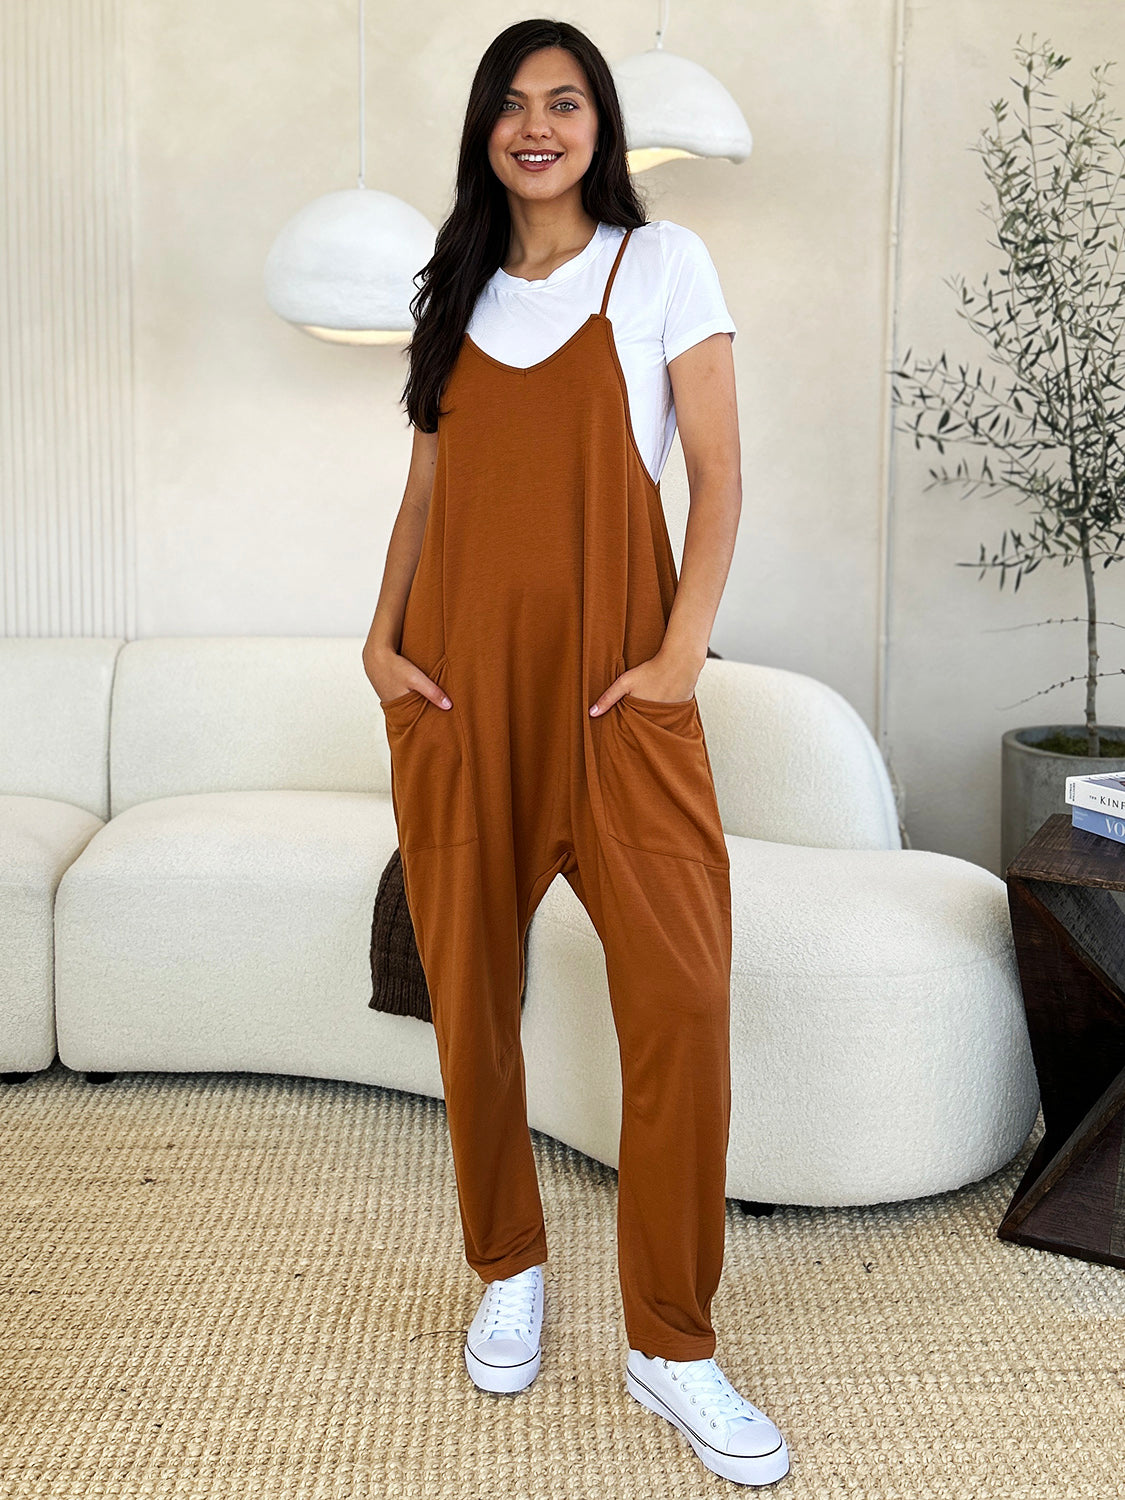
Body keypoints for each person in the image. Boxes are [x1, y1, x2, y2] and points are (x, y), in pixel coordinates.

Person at [362, 17, 790, 1488]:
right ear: (483, 130)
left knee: (680, 997)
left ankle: (672, 1345)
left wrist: (679, 657)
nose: (535, 126)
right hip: (458, 698)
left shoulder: (659, 268)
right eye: (509, 104)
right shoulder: (457, 282)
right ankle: (508, 1265)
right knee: (468, 999)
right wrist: (379, 641)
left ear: (599, 126)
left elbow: (720, 474)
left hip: (621, 701)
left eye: (563, 103)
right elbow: (424, 483)